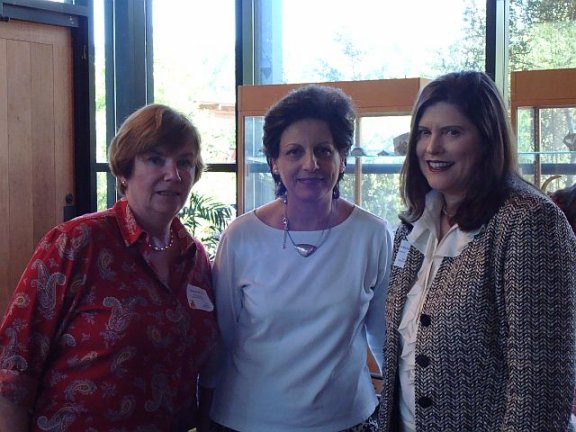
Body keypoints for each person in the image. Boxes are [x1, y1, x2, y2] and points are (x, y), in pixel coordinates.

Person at [378, 70, 576, 432]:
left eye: (452, 132)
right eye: (424, 132)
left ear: (487, 139)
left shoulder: (528, 221)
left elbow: (540, 388)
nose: (432, 148)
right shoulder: (414, 224)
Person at [0, 103, 218, 431]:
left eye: (184, 162)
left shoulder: (195, 258)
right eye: (156, 159)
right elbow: (14, 367)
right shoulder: (77, 243)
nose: (173, 174)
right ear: (124, 171)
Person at [208, 84, 393, 432]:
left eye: (324, 150)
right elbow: (223, 337)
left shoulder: (372, 235)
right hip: (247, 419)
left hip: (345, 420)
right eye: (294, 152)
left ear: (342, 157)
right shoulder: (241, 237)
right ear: (275, 163)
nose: (311, 164)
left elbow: (383, 338)